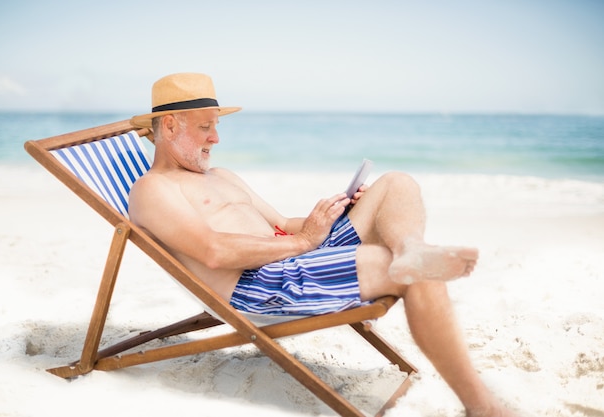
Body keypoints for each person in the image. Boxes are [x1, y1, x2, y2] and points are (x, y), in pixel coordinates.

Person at [129, 73, 516, 417]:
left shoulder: (221, 175)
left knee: (396, 184)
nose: (216, 137)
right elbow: (214, 251)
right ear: (170, 124)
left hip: (295, 256)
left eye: (215, 125)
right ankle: (482, 407)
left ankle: (409, 247)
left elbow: (281, 223)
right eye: (205, 127)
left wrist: (333, 214)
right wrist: (303, 241)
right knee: (413, 274)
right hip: (262, 286)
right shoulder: (153, 189)